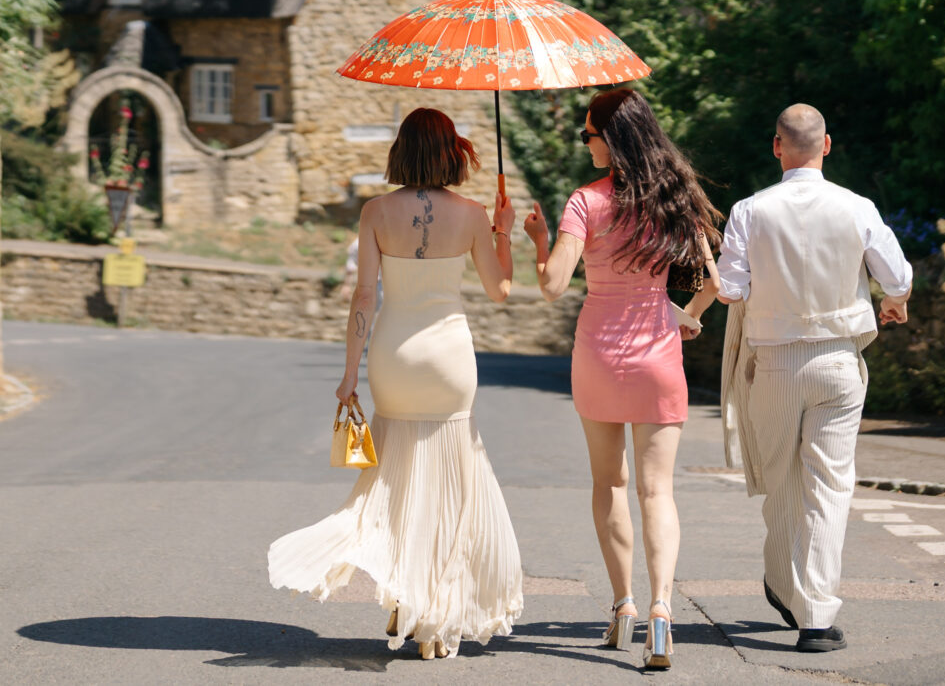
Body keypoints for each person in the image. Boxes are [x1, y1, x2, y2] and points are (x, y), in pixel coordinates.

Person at [268, 109, 525, 659]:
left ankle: (404, 597)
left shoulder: (376, 211)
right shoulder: (475, 213)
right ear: (452, 153)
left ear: (401, 151)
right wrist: (503, 234)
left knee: (400, 480)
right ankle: (434, 617)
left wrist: (348, 373)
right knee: (448, 484)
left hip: (393, 357)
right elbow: (500, 290)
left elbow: (365, 297)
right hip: (451, 360)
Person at [682, 103, 911, 656]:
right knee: (829, 488)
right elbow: (897, 275)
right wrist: (896, 302)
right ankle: (815, 615)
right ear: (827, 145)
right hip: (837, 361)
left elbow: (732, 288)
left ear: (776, 146)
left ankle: (785, 585)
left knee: (781, 482)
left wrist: (698, 295)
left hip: (775, 364)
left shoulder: (750, 210)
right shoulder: (856, 207)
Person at [519, 86, 720, 671]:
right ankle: (662, 611)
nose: (586, 143)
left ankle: (623, 606)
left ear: (611, 138)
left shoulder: (585, 202)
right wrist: (686, 316)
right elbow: (721, 279)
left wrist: (537, 243)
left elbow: (554, 285)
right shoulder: (674, 198)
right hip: (658, 355)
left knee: (609, 484)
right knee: (657, 491)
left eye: (589, 133)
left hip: (599, 356)